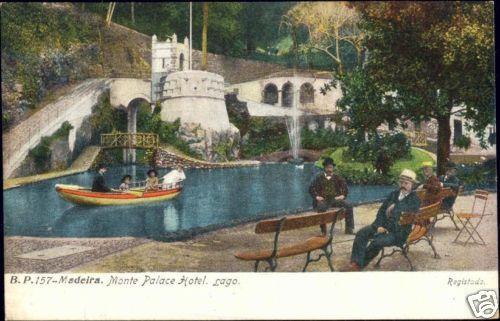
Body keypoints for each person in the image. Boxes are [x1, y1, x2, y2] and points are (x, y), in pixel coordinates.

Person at [349, 169, 421, 271]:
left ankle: (359, 265)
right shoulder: (393, 194)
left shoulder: (415, 200)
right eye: (401, 182)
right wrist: (379, 226)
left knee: (376, 242)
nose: (403, 185)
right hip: (381, 227)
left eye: (406, 183)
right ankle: (356, 263)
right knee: (361, 233)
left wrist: (386, 228)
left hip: (398, 233)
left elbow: (401, 217)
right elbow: (381, 211)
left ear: (412, 185)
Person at [309, 157, 355, 234]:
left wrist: (342, 196)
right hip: (323, 199)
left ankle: (349, 229)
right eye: (327, 167)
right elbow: (311, 189)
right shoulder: (318, 177)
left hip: (334, 199)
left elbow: (345, 189)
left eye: (331, 167)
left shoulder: (338, 177)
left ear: (333, 168)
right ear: (324, 168)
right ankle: (323, 231)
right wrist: (316, 197)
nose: (329, 169)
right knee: (321, 207)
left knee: (349, 205)